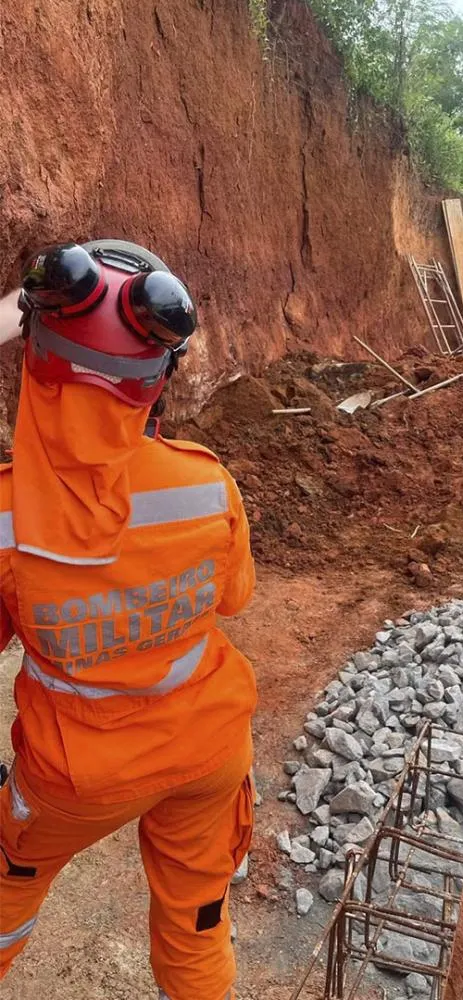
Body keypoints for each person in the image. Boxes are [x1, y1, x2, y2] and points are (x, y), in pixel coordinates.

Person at [0, 240, 258, 1000]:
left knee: (8, 893)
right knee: (198, 926)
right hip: (209, 751)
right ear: (155, 385)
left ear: (36, 361)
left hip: (73, 777)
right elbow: (233, 598)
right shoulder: (207, 487)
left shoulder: (8, 516)